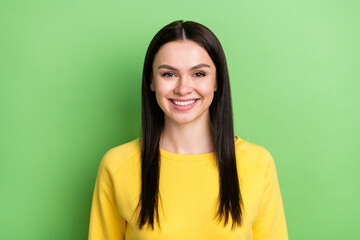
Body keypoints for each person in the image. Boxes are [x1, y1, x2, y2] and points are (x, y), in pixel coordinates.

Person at [88, 20, 288, 240]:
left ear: (217, 81)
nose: (183, 88)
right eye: (169, 74)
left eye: (199, 74)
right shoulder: (116, 165)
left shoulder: (258, 163)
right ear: (151, 81)